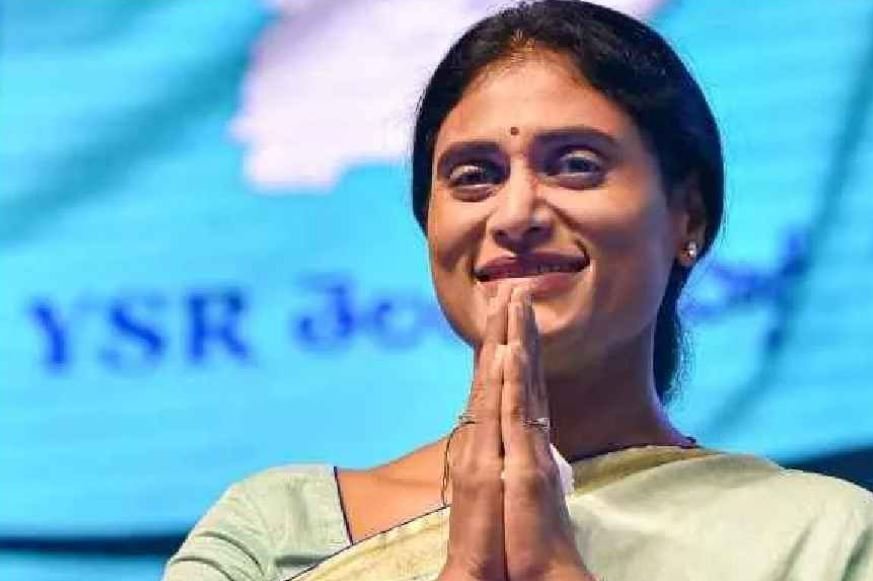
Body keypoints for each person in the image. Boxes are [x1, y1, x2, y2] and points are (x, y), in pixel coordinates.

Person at [163, 2, 873, 580]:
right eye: (474, 176)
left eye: (575, 164)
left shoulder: (822, 541)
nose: (515, 214)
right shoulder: (272, 538)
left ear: (686, 216)